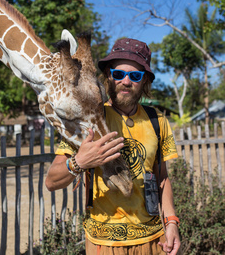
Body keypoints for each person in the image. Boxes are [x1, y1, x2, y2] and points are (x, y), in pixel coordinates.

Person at [45, 38, 181, 255]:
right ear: (108, 75)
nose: (126, 81)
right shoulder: (89, 119)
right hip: (104, 244)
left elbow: (162, 177)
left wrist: (171, 222)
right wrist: (79, 162)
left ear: (144, 80)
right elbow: (51, 181)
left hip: (155, 240)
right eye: (118, 74)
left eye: (135, 76)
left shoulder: (157, 120)